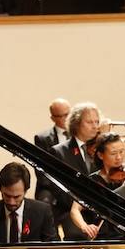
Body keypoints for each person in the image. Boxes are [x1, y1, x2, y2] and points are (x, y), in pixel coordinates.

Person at [39, 102, 103, 238]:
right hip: (70, 209)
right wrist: (83, 203)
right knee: (79, 235)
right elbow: (58, 188)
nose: (95, 126)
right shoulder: (60, 152)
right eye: (89, 122)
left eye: (97, 122)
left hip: (100, 210)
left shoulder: (102, 149)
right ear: (76, 123)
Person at [69, 132, 125, 239]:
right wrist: (85, 226)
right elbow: (75, 210)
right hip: (103, 237)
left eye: (121, 152)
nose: (119, 157)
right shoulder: (92, 181)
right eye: (114, 153)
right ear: (101, 155)